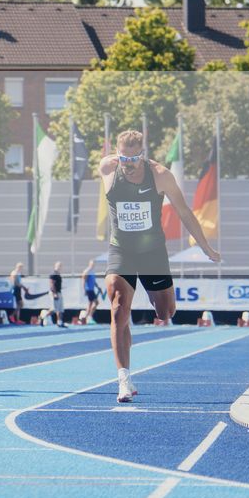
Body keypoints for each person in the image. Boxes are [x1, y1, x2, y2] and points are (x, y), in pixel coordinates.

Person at [97, 130, 219, 402]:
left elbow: (184, 212)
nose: (128, 164)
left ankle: (158, 302)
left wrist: (205, 247)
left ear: (143, 154)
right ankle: (124, 379)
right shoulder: (107, 167)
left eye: (133, 158)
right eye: (123, 158)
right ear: (117, 154)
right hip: (122, 249)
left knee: (165, 312)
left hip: (152, 252)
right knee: (118, 306)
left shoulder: (161, 175)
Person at [80, 258, 102, 324]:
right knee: (92, 304)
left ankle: (86, 317)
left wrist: (98, 287)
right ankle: (87, 317)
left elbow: (93, 281)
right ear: (89, 264)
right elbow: (83, 280)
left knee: (93, 303)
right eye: (92, 264)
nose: (93, 265)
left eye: (94, 264)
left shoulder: (92, 271)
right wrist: (84, 290)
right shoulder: (87, 271)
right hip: (89, 290)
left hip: (92, 290)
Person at [49, 261, 65, 325]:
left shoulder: (58, 274)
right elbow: (51, 284)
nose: (60, 267)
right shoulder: (54, 274)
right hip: (55, 293)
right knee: (54, 309)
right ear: (55, 266)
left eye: (60, 266)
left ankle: (59, 322)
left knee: (60, 309)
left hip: (59, 292)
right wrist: (54, 293)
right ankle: (43, 316)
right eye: (58, 266)